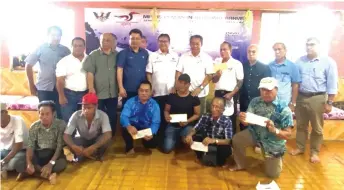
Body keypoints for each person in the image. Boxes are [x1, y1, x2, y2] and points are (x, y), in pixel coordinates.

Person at [230, 77, 293, 178]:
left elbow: (288, 134)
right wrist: (243, 119)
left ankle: (276, 157)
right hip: (255, 134)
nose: (265, 93)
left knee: (272, 174)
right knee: (237, 139)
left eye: (269, 90)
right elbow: (247, 122)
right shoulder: (255, 101)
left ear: (276, 89)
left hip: (272, 142)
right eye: (263, 90)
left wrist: (275, 130)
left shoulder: (284, 109)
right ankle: (241, 164)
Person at [290, 37, 338, 163]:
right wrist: (293, 101)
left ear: (319, 46)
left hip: (318, 98)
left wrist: (330, 103)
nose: (309, 47)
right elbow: (295, 82)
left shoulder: (328, 62)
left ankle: (314, 152)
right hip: (301, 97)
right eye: (307, 45)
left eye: (312, 44)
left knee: (317, 128)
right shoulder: (299, 61)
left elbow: (332, 84)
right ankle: (300, 148)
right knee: (301, 125)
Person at [25, 26, 71, 119]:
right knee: (45, 114)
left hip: (62, 89)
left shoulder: (66, 50)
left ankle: (59, 133)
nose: (56, 37)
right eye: (53, 35)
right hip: (44, 88)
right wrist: (31, 85)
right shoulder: (40, 48)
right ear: (48, 35)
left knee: (61, 114)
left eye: (58, 35)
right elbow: (28, 65)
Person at [21, 101, 67, 184]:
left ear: (53, 114)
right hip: (40, 154)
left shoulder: (61, 125)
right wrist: (29, 163)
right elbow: (30, 146)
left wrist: (50, 164)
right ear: (38, 114)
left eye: (47, 114)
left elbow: (59, 147)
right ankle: (48, 175)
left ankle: (34, 172)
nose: (44, 117)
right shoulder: (34, 126)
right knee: (22, 162)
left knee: (61, 164)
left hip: (54, 154)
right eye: (41, 114)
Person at [146, 33, 179, 146]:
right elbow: (149, 73)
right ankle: (158, 141)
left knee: (169, 118)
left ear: (169, 43)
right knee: (157, 117)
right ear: (158, 42)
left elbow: (177, 74)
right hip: (157, 93)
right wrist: (150, 88)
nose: (163, 43)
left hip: (172, 93)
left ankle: (169, 140)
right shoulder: (153, 56)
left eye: (165, 41)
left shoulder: (175, 56)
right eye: (160, 41)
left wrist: (176, 86)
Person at [83, 33, 118, 136]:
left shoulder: (117, 55)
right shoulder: (93, 55)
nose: (105, 42)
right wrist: (91, 87)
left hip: (113, 92)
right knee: (98, 115)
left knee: (112, 115)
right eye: (103, 40)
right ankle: (98, 136)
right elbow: (90, 73)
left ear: (112, 42)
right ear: (100, 41)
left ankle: (111, 136)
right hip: (98, 93)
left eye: (108, 40)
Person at [63, 93, 112, 162]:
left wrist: (93, 147)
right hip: (82, 139)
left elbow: (108, 134)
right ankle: (89, 154)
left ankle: (89, 153)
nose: (85, 110)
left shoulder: (103, 115)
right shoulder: (76, 115)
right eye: (83, 107)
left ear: (96, 106)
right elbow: (66, 135)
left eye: (89, 108)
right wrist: (73, 146)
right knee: (71, 142)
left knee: (107, 141)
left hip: (96, 140)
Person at [185, 97, 232, 167]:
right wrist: (189, 135)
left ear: (223, 110)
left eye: (217, 107)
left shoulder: (227, 121)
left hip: (218, 143)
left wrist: (214, 140)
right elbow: (195, 128)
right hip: (205, 142)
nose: (213, 109)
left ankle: (221, 160)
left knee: (226, 150)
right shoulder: (205, 116)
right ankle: (200, 155)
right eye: (212, 106)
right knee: (194, 138)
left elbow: (228, 141)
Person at [175, 35, 214, 114]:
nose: (195, 46)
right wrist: (178, 86)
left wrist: (200, 88)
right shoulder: (183, 57)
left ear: (201, 44)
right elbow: (178, 72)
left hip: (200, 94)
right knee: (186, 116)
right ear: (190, 44)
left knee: (200, 119)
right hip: (185, 94)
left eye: (197, 44)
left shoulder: (207, 58)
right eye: (192, 43)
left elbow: (209, 75)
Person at [163, 74, 200, 153]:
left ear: (189, 84)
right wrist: (166, 116)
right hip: (172, 126)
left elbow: (197, 114)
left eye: (185, 83)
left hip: (187, 125)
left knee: (187, 143)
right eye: (180, 82)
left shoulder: (194, 98)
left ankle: (182, 138)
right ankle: (177, 138)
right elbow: (166, 110)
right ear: (177, 82)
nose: (182, 85)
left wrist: (187, 121)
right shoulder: (171, 96)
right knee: (167, 149)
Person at [120, 81, 160, 154]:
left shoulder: (155, 105)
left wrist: (152, 132)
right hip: (133, 126)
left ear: (151, 92)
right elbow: (124, 116)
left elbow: (156, 122)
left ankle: (144, 142)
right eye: (141, 90)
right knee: (124, 128)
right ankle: (129, 147)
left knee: (152, 144)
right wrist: (128, 126)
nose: (144, 93)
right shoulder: (130, 102)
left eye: (146, 91)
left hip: (146, 129)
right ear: (138, 91)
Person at [212, 42, 244, 134]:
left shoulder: (236, 63)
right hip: (218, 93)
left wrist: (232, 93)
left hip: (230, 93)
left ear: (230, 50)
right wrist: (217, 75)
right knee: (217, 115)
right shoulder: (217, 62)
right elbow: (214, 80)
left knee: (231, 117)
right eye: (221, 49)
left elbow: (240, 81)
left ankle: (230, 140)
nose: (222, 51)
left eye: (225, 49)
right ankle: (218, 136)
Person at [56, 37, 87, 123]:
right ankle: (69, 136)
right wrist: (61, 96)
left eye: (80, 46)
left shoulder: (89, 59)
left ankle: (82, 137)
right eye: (75, 46)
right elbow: (60, 80)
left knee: (84, 120)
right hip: (69, 95)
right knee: (68, 121)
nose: (78, 48)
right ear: (71, 47)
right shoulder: (64, 61)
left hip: (85, 94)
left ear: (84, 47)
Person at [117, 29, 150, 106]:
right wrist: (121, 87)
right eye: (132, 38)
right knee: (128, 112)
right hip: (128, 89)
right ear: (129, 40)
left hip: (142, 90)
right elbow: (119, 70)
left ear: (141, 40)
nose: (134, 41)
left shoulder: (145, 53)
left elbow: (148, 71)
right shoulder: (123, 53)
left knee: (142, 112)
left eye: (137, 38)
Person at [268, 42, 301, 111]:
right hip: (271, 103)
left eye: (279, 49)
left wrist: (293, 103)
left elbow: (295, 85)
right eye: (275, 50)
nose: (277, 52)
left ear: (285, 51)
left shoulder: (292, 66)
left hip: (285, 104)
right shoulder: (269, 66)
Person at [0, 103, 28, 179]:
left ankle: (3, 168)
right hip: (4, 150)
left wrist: (4, 161)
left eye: (1, 114)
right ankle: (3, 169)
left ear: (5, 112)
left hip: (21, 150)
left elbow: (19, 144)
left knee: (14, 164)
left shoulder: (17, 120)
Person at [240, 44, 271, 112]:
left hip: (259, 102)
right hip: (244, 101)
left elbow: (267, 86)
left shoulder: (265, 67)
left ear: (258, 53)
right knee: (243, 121)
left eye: (253, 52)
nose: (251, 53)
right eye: (249, 51)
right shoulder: (242, 66)